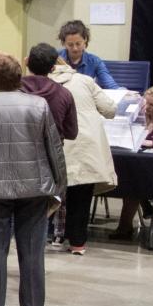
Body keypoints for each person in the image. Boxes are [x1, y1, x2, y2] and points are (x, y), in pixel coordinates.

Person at [0, 53, 66, 306]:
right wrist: (60, 184)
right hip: (35, 187)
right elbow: (54, 148)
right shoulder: (39, 105)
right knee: (32, 251)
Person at [46, 50, 116, 256]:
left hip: (54, 145)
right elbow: (110, 109)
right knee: (81, 195)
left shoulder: (39, 84)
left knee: (48, 194)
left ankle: (49, 236)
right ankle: (78, 243)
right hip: (85, 144)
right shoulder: (85, 80)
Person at [111, 85, 153, 240]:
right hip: (141, 167)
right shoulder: (140, 115)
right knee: (133, 178)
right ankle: (126, 225)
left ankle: (139, 215)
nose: (148, 108)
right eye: (147, 103)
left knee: (136, 180)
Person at [22, 44, 79, 143]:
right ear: (53, 68)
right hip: (52, 150)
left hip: (20, 148)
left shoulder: (13, 89)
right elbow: (71, 133)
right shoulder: (64, 94)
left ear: (27, 62)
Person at [57, 20, 120, 90]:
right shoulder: (54, 57)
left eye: (78, 44)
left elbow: (110, 84)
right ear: (64, 43)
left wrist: (125, 92)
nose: (75, 48)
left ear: (85, 40)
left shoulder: (95, 61)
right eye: (70, 44)